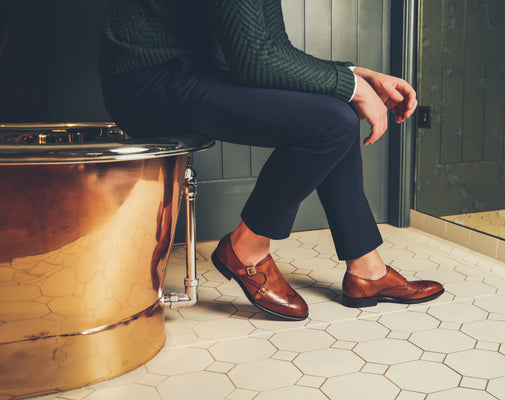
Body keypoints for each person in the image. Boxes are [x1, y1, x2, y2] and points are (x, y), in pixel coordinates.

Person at [99, 0, 444, 321]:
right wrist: (353, 85)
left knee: (337, 108)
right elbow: (255, 59)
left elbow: (271, 47)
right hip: (149, 81)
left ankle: (367, 270)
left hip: (199, 67)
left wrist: (355, 76)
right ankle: (245, 248)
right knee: (333, 121)